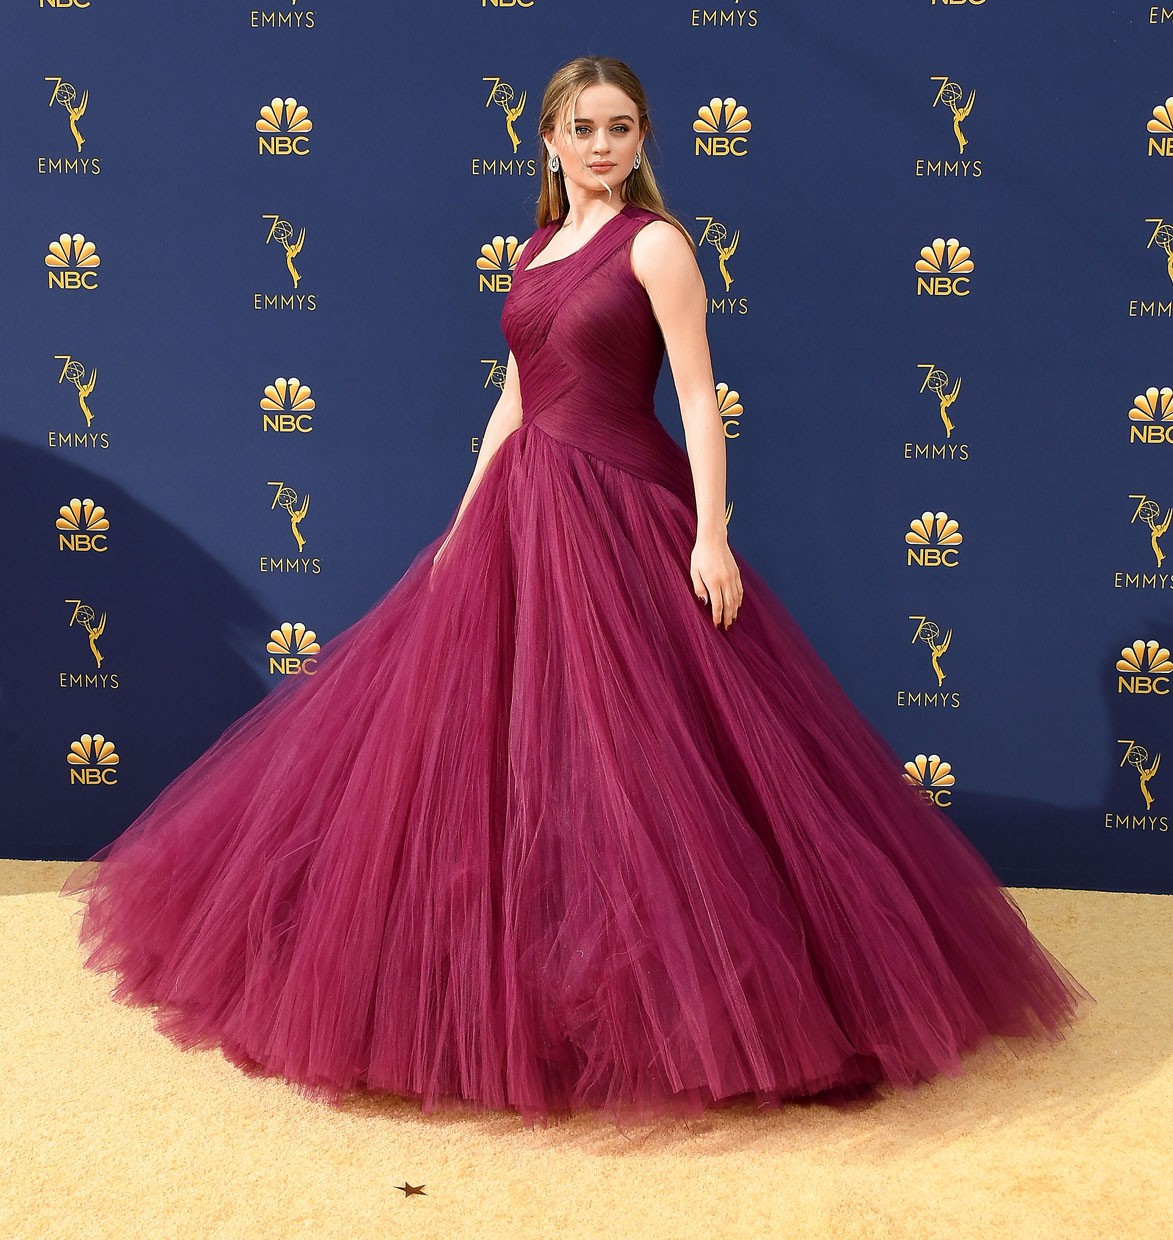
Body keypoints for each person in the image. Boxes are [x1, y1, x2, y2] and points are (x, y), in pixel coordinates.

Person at [60, 56, 1093, 1130]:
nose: (603, 145)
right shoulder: (535, 250)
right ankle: (519, 979)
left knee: (642, 756)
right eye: (584, 127)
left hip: (621, 506)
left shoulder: (657, 245)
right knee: (501, 751)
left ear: (643, 139)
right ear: (548, 138)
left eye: (621, 126)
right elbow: (514, 398)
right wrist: (465, 521)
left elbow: (698, 396)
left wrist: (711, 534)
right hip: (522, 506)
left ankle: (691, 997)